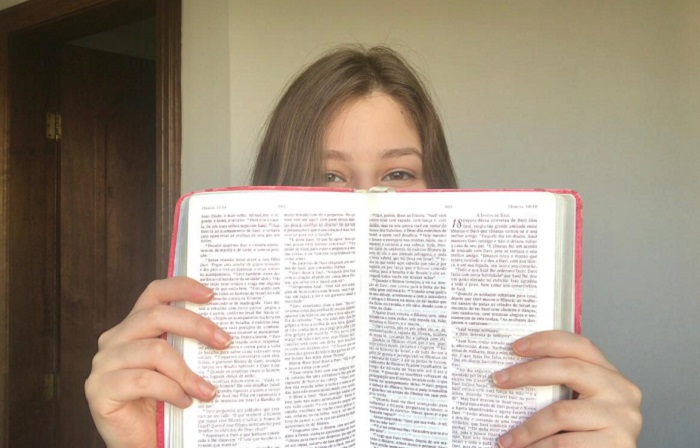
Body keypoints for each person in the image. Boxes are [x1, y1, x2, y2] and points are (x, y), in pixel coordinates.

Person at [85, 46, 642, 447]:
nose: (365, 201)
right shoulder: (207, 353)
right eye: (328, 176)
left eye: (398, 174)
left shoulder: (526, 357)